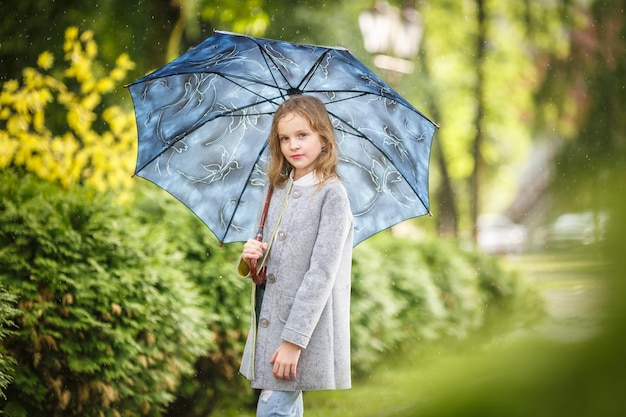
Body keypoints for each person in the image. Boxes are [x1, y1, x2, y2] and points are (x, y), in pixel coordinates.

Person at [237, 95, 354, 417]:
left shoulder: (332, 194)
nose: (293, 145)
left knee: (274, 407)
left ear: (323, 139)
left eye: (302, 135)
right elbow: (272, 263)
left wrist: (294, 341)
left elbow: (321, 274)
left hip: (298, 327)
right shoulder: (276, 188)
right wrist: (252, 258)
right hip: (269, 320)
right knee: (280, 407)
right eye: (284, 138)